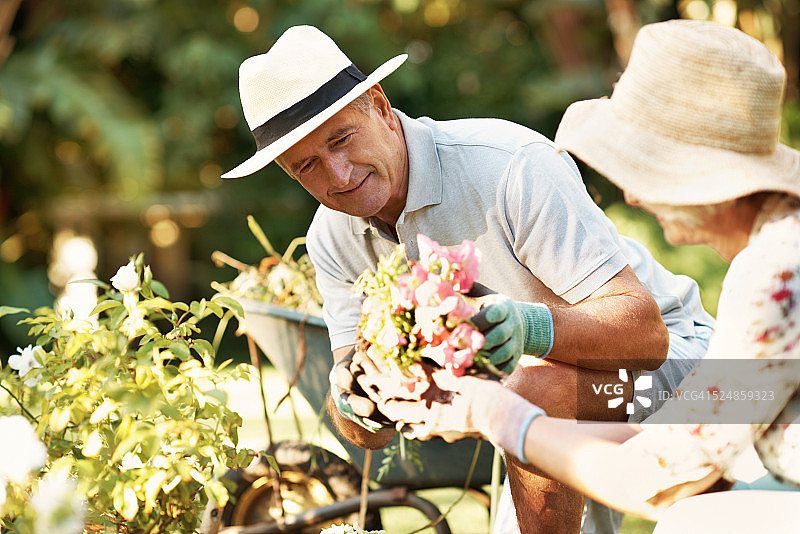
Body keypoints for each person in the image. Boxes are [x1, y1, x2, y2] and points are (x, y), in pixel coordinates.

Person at [220, 25, 714, 534]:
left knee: (530, 389)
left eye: (342, 139)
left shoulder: (508, 166)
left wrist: (529, 329)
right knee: (529, 397)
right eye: (308, 166)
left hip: (697, 375)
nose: (339, 175)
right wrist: (355, 399)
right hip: (548, 399)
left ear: (380, 105)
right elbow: (365, 436)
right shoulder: (332, 238)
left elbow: (646, 335)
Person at [370, 18, 800, 531]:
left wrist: (494, 414)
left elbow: (660, 480)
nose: (631, 196)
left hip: (677, 386)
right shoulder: (777, 252)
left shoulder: (775, 275)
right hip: (698, 431)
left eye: (641, 168)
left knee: (693, 521)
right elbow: (674, 447)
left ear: (698, 171)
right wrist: (505, 413)